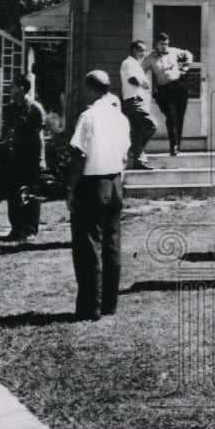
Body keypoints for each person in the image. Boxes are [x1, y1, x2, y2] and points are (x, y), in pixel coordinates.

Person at [66, 70, 130, 320]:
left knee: (88, 246)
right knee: (111, 245)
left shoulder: (89, 116)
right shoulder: (120, 118)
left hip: (92, 183)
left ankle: (90, 306)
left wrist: (71, 189)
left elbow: (80, 154)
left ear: (90, 89)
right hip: (114, 182)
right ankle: (109, 304)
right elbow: (126, 153)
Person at [3, 74, 46, 240]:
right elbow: (9, 133)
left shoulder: (35, 108)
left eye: (13, 86)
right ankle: (16, 229)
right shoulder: (12, 108)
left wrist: (41, 159)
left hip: (30, 158)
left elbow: (39, 135)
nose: (10, 89)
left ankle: (30, 230)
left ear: (22, 88)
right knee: (13, 194)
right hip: (13, 158)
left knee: (30, 195)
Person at [143, 32, 193, 156]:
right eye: (162, 44)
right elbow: (140, 71)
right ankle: (174, 145)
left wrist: (185, 68)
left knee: (179, 117)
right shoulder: (150, 58)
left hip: (179, 87)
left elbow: (188, 54)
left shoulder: (174, 51)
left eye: (166, 44)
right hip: (164, 90)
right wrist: (144, 84)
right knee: (171, 117)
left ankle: (176, 146)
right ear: (156, 44)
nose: (165, 47)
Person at [119, 40, 157, 170]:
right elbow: (132, 79)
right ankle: (136, 151)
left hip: (137, 99)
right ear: (134, 50)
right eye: (141, 50)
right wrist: (142, 83)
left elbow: (143, 82)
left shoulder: (136, 64)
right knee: (151, 126)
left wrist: (143, 83)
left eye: (144, 51)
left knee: (137, 131)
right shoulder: (128, 63)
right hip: (133, 100)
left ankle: (137, 161)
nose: (143, 53)